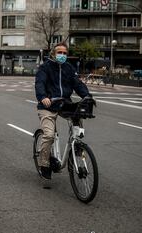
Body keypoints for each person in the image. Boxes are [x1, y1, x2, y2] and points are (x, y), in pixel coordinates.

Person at [35, 42, 91, 180]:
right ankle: (44, 164)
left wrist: (87, 96)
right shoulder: (45, 67)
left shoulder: (69, 68)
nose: (62, 55)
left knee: (78, 117)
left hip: (64, 103)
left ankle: (77, 147)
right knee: (48, 135)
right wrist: (43, 97)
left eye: (65, 53)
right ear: (53, 54)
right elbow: (40, 83)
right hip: (48, 104)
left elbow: (77, 83)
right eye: (60, 52)